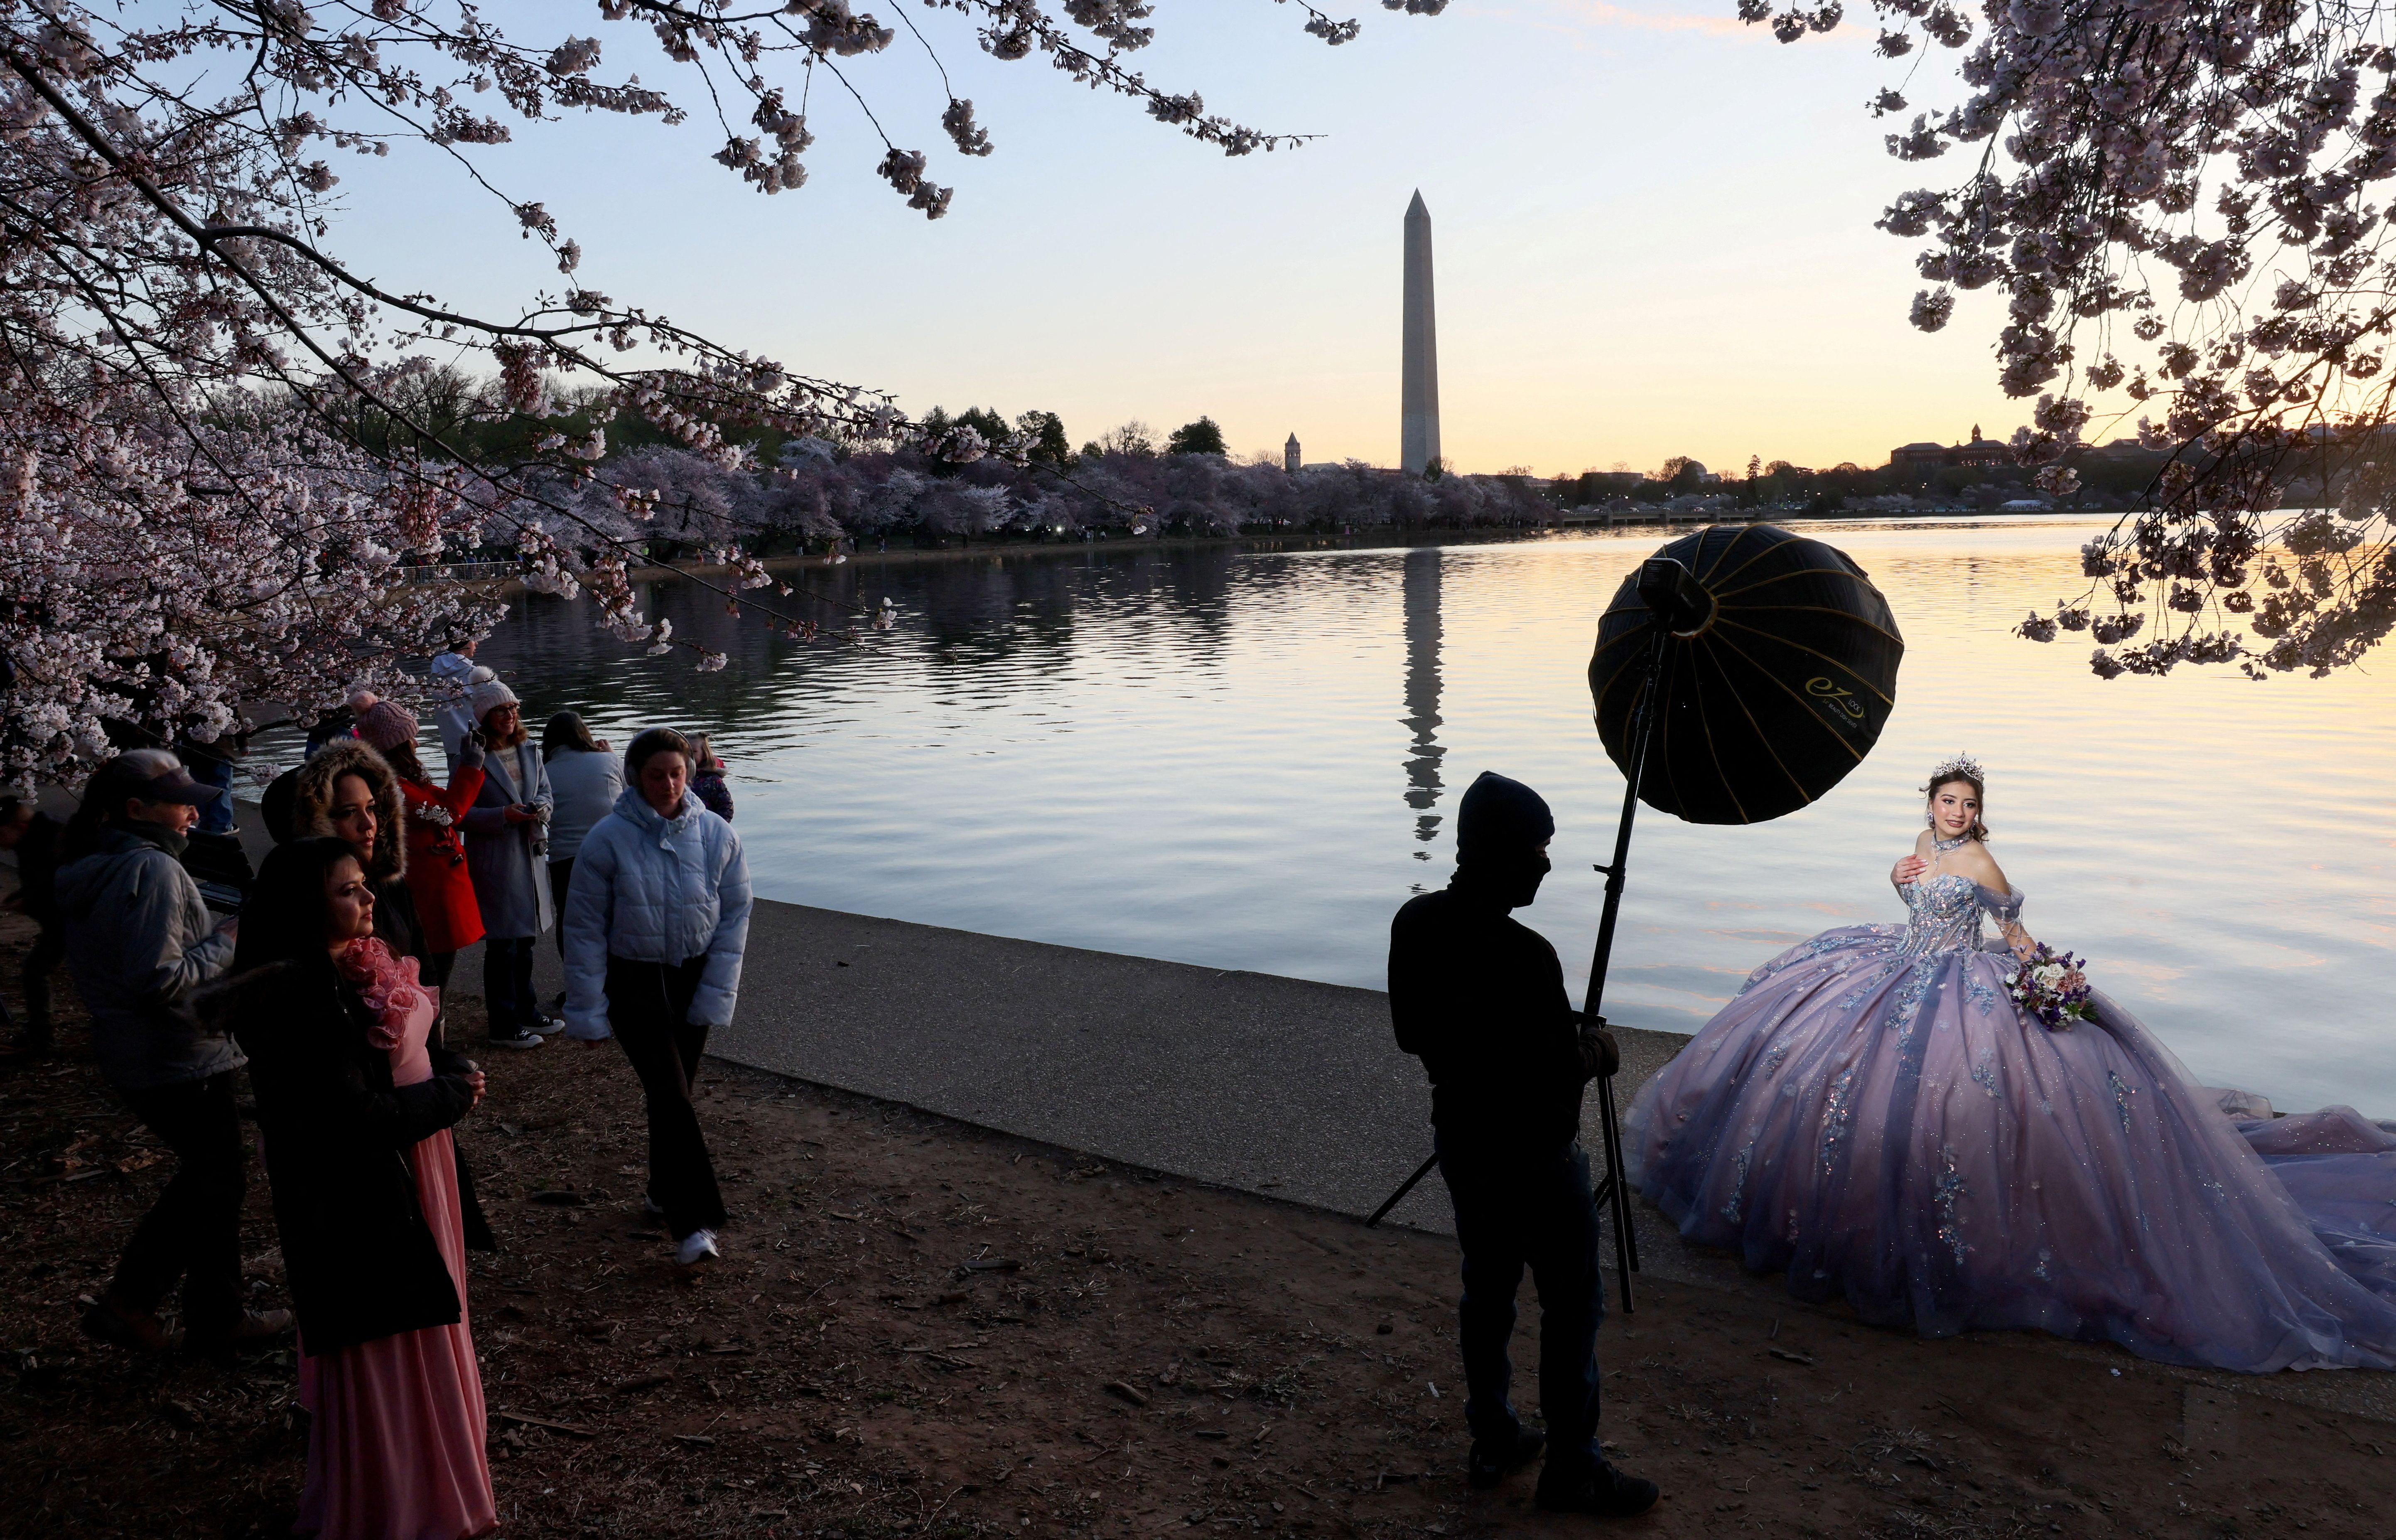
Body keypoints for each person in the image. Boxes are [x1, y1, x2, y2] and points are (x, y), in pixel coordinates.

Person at [1626, 755, 2396, 1373]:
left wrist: (2052, 979)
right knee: (1815, 1065)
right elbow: (1916, 901)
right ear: (1928, 804)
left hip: (1959, 983)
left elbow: (2016, 936)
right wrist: (1895, 881)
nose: (1955, 813)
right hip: (1895, 966)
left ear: (1976, 812)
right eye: (1945, 801)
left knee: (1950, 1098)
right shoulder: (1924, 848)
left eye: (1965, 804)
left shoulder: (1984, 864)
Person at [1388, 771, 1657, 1517]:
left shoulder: (1414, 925)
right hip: (1538, 1157)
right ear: (1503, 853)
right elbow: (1547, 1073)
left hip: (1462, 1142)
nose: (1544, 864)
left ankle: (1494, 1434)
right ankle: (1574, 1464)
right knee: (1572, 1304)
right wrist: (1595, 1052)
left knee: (1488, 1287)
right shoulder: (1527, 954)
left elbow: (1417, 1033)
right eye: (1537, 849)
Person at [223, 837, 496, 1540]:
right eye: (349, 890)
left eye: (364, 884)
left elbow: (409, 1056)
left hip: (404, 1169)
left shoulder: (347, 969)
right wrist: (449, 1098)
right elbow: (351, 1118)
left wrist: (447, 1070)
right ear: (306, 907)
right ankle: (396, 1497)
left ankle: (432, 1477)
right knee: (386, 1342)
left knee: (420, 1325)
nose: (370, 898)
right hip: (358, 1195)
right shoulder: (299, 998)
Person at [55, 750, 290, 1356]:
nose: (194, 811)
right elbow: (158, 979)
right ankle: (140, 1301)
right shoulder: (151, 870)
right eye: (181, 800)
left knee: (214, 1178)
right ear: (137, 809)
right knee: (215, 1178)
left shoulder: (97, 865)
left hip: (138, 1054)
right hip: (176, 1055)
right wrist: (226, 941)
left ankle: (210, 1308)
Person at [563, 727, 751, 1268]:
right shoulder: (607, 839)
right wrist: (588, 1008)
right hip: (634, 980)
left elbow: (736, 912)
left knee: (676, 1094)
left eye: (676, 773)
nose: (668, 784)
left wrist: (717, 985)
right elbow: (583, 929)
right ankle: (692, 1223)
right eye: (656, 775)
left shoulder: (717, 834)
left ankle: (659, 1186)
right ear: (634, 778)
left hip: (693, 975)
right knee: (671, 1093)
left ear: (689, 773)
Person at [353, 698, 487, 997]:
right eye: (410, 736)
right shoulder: (394, 789)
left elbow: (442, 802)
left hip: (433, 889)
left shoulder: (398, 783)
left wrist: (465, 766)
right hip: (428, 894)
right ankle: (430, 1036)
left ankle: (431, 1033)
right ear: (397, 745)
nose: (415, 742)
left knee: (436, 969)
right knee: (432, 973)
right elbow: (447, 814)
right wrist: (470, 767)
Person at [459, 677, 554, 1050]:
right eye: (501, 710)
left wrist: (542, 808)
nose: (510, 716)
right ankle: (503, 1022)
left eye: (513, 708)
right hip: (497, 861)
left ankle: (527, 1010)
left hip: (529, 857)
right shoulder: (472, 755)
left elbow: (546, 790)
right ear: (485, 716)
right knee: (503, 946)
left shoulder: (529, 748)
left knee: (525, 941)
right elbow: (460, 812)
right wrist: (503, 815)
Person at [542, 710, 623, 964]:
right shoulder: (609, 762)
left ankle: (578, 987)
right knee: (615, 919)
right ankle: (615, 985)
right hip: (610, 853)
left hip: (565, 859)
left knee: (571, 924)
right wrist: (612, 757)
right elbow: (635, 799)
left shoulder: (543, 772)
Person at [1, 793, 66, 1053]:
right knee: (35, 971)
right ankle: (41, 1036)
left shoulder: (48, 841)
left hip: (74, 922)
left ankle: (42, 1039)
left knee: (35, 971)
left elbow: (58, 887)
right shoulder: (34, 838)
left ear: (18, 827)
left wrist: (28, 902)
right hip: (62, 922)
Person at [428, 638, 481, 775]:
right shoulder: (474, 674)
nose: (477, 643)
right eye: (474, 639)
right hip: (478, 744)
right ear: (463, 641)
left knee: (457, 787)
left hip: (451, 744)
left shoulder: (436, 674)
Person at [687, 732, 734, 822]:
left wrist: (719, 826)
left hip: (707, 826)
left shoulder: (713, 780)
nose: (689, 755)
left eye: (694, 752)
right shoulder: (680, 776)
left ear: (704, 754)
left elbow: (726, 806)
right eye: (686, 751)